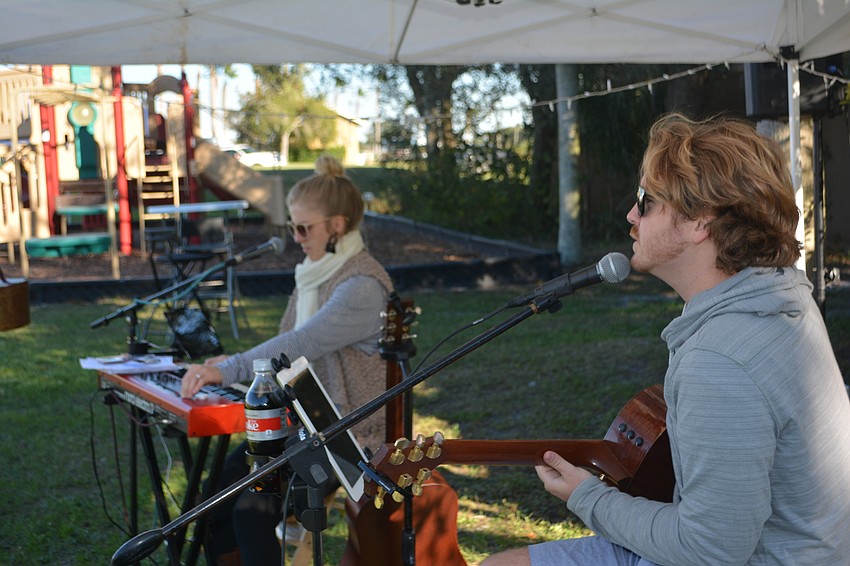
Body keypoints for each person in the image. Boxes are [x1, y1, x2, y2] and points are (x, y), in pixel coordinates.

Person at [483, 113, 850, 566]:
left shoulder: (719, 360)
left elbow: (710, 550)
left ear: (700, 222)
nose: (631, 215)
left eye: (646, 200)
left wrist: (586, 497)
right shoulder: (782, 297)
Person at [181, 155, 393, 565]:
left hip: (351, 439)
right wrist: (236, 363)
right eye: (291, 226)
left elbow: (299, 344)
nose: (295, 236)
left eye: (303, 227)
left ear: (337, 224)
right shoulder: (315, 273)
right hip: (308, 427)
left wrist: (225, 369)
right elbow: (286, 346)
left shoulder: (362, 286)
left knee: (249, 510)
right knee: (213, 502)